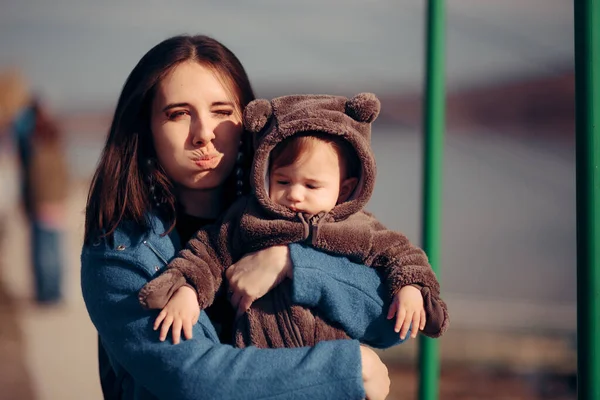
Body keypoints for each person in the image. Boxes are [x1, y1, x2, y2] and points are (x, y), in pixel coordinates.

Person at [81, 34, 402, 400]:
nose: (203, 135)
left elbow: (390, 323)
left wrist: (294, 264)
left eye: (221, 112)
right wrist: (348, 369)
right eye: (178, 114)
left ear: (248, 123)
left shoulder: (288, 215)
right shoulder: (120, 251)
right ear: (147, 128)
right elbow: (195, 378)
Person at [139, 93, 449, 349]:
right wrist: (188, 291)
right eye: (283, 181)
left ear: (346, 187)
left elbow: (402, 255)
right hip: (260, 362)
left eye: (311, 186)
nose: (294, 195)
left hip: (333, 374)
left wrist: (411, 287)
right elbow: (206, 252)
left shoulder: (359, 228)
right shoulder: (250, 219)